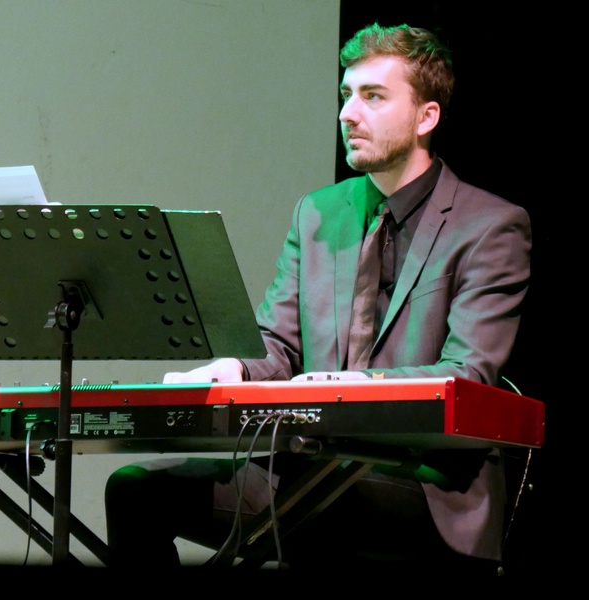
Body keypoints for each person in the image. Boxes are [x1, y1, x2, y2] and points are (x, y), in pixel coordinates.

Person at [104, 22, 531, 573]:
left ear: (426, 117)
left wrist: (353, 386)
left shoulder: (491, 225)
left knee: (326, 504)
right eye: (345, 95)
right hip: (313, 463)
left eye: (373, 96)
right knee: (136, 489)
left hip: (424, 485)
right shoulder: (318, 213)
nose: (348, 113)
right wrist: (233, 368)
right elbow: (279, 346)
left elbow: (468, 373)